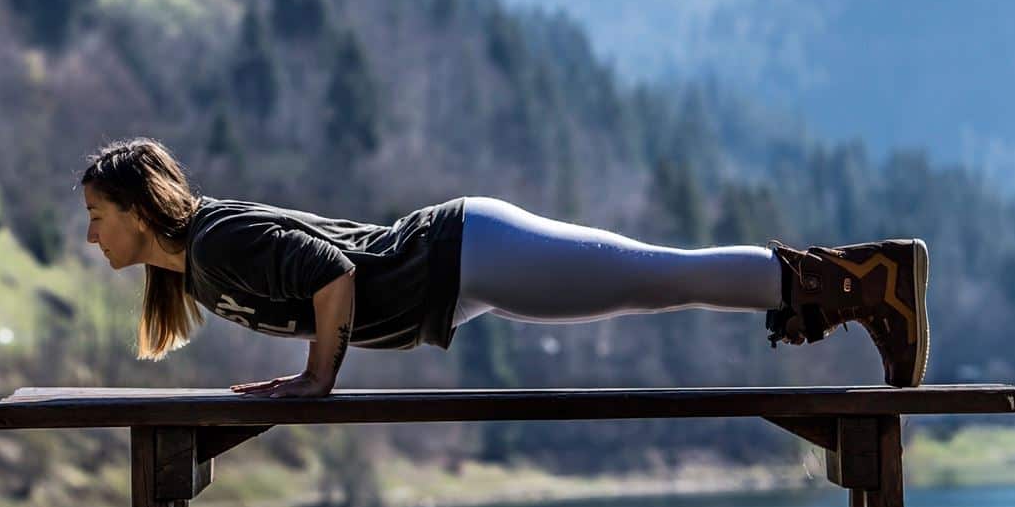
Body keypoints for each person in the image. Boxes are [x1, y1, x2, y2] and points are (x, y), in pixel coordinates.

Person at [80, 137, 930, 399]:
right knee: (650, 285)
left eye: (96, 216)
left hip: (462, 255)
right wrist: (301, 376)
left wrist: (313, 382)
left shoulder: (215, 242)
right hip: (462, 275)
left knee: (655, 278)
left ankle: (863, 281)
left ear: (135, 209)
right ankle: (851, 285)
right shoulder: (195, 267)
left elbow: (333, 274)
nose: (91, 237)